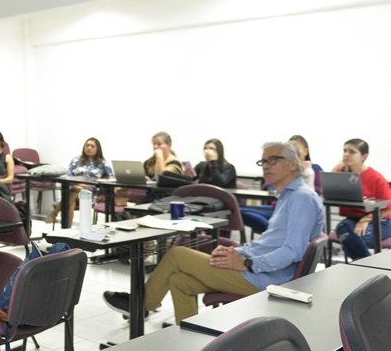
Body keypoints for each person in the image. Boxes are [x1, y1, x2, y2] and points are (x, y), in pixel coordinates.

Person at [103, 141, 324, 324]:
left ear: (293, 163)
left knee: (178, 254)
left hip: (267, 279)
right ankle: (188, 343)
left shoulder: (301, 198)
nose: (265, 166)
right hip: (258, 270)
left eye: (272, 160)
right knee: (180, 281)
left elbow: (292, 251)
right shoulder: (289, 196)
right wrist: (237, 252)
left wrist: (247, 263)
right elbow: (270, 243)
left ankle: (140, 306)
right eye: (263, 161)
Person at [241, 134, 323, 234]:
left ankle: (275, 229)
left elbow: (318, 190)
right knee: (238, 211)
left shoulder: (313, 170)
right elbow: (266, 185)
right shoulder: (281, 167)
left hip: (292, 209)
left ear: (305, 151)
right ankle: (274, 229)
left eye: (295, 147)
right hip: (275, 206)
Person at [332, 139, 391, 260]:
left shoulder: (376, 178)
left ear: (364, 156)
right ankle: (371, 268)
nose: (346, 154)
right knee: (344, 228)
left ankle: (366, 268)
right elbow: (329, 192)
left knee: (352, 238)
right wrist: (335, 169)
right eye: (345, 151)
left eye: (352, 152)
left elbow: (388, 209)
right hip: (352, 220)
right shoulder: (342, 173)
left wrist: (366, 219)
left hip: (382, 220)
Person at [46, 137, 114, 226]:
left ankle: (55, 214)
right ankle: (67, 230)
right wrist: (78, 184)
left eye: (92, 146)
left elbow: (111, 178)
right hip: (73, 190)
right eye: (87, 145)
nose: (89, 148)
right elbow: (68, 176)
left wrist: (95, 183)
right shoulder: (76, 160)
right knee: (73, 197)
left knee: (72, 196)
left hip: (90, 193)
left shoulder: (102, 163)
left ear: (98, 149)